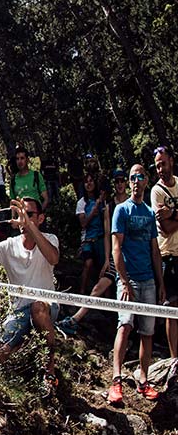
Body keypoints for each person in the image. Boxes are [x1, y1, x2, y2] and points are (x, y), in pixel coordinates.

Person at [0, 197, 60, 396]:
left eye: (28, 214)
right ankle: (19, 357)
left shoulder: (49, 239)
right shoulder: (9, 246)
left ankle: (49, 369)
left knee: (38, 308)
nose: (22, 218)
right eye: (18, 214)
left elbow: (53, 258)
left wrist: (29, 226)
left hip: (45, 306)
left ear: (40, 218)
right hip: (18, 311)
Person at [106, 164, 165, 405]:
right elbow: (116, 247)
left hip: (148, 279)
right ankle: (116, 380)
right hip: (128, 279)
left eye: (140, 176)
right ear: (129, 182)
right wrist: (124, 281)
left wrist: (160, 282)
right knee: (125, 324)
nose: (136, 181)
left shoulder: (150, 213)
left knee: (148, 332)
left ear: (146, 180)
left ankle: (143, 380)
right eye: (132, 177)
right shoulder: (121, 210)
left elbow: (155, 250)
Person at [58, 170, 122, 336]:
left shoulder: (107, 203)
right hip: (97, 243)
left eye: (123, 181)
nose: (120, 184)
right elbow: (95, 227)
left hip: (127, 253)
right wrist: (110, 257)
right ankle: (80, 304)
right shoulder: (94, 204)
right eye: (117, 181)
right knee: (96, 270)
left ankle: (109, 312)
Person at [150, 146, 178, 359]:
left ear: (171, 161)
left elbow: (170, 221)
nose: (160, 168)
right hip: (169, 255)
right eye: (157, 165)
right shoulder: (156, 191)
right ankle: (174, 359)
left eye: (163, 163)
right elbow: (166, 228)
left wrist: (174, 213)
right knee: (172, 310)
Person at [75, 173, 110, 298]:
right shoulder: (81, 203)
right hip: (88, 239)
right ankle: (82, 292)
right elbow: (83, 223)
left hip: (100, 238)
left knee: (104, 268)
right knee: (88, 263)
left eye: (91, 181)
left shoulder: (101, 201)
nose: (89, 184)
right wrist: (93, 211)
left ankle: (107, 298)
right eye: (86, 182)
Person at [9, 146, 49, 212]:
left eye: (22, 158)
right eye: (17, 159)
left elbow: (46, 199)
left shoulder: (36, 175)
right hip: (21, 218)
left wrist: (37, 214)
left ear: (27, 160)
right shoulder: (13, 180)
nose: (19, 161)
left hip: (36, 218)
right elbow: (12, 202)